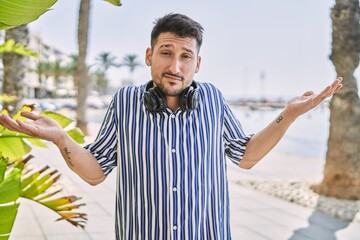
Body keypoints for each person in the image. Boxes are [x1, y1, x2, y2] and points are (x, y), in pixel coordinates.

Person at [0, 13, 342, 239]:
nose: (175, 66)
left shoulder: (212, 99)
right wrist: (62, 139)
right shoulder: (125, 102)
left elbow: (247, 156)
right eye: (166, 53)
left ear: (197, 64)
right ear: (149, 56)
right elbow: (95, 172)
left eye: (185, 56)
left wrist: (288, 116)